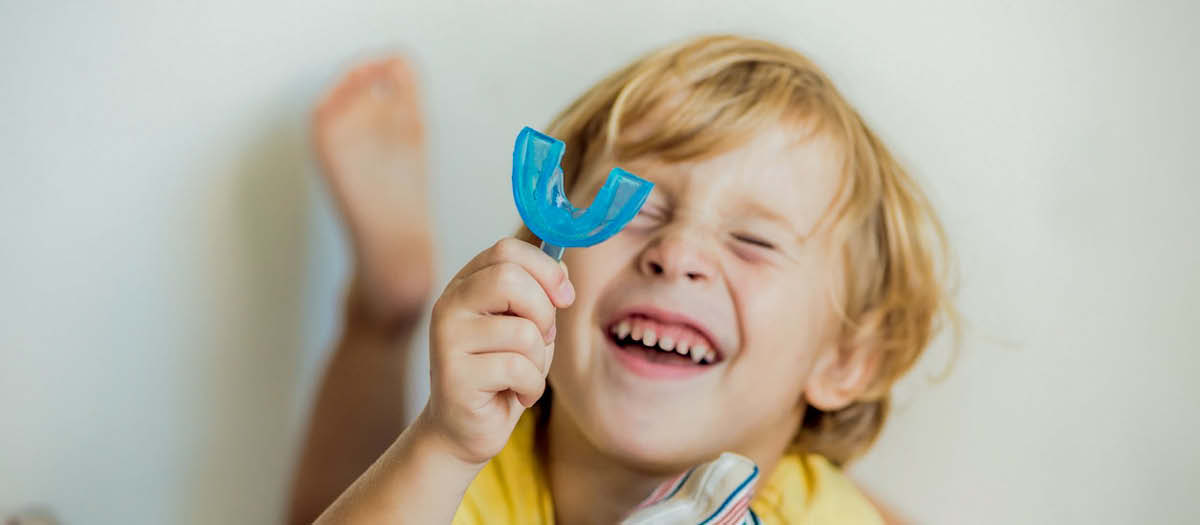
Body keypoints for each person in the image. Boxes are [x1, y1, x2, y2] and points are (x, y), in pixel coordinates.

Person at [290, 34, 951, 524]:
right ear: (545, 265)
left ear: (847, 357)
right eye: (637, 209)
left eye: (752, 240)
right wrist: (441, 442)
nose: (677, 251)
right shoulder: (471, 465)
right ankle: (386, 310)